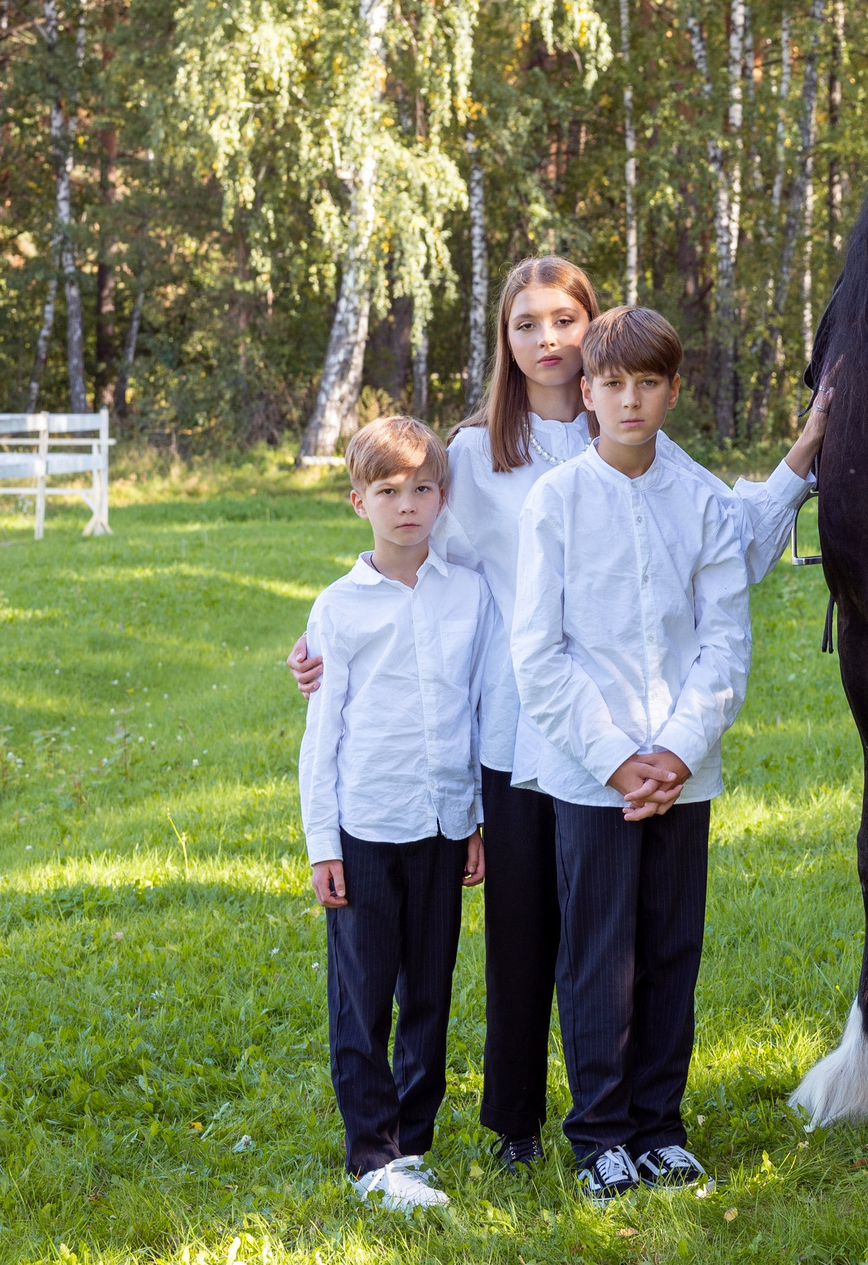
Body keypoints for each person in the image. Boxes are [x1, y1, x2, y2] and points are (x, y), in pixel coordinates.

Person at [290, 258, 832, 1173]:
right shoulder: (474, 453)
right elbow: (411, 552)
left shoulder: (633, 431)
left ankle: (629, 1116)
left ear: (592, 331)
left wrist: (804, 454)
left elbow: (727, 540)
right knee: (523, 935)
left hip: (617, 724)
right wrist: (328, 636)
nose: (547, 338)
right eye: (526, 323)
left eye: (564, 319)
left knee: (615, 935)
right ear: (505, 341)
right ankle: (517, 1122)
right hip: (512, 722)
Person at [510, 307, 798, 1203]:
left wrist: (674, 750)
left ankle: (659, 1125)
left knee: (672, 946)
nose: (630, 400)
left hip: (683, 771)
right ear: (587, 393)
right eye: (613, 384)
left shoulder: (703, 501)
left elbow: (724, 641)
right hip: (589, 772)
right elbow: (539, 651)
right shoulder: (556, 501)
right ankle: (600, 1131)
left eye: (647, 383)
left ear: (674, 390)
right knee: (599, 953)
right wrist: (614, 758)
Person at [298, 416, 498, 1212]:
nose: (407, 504)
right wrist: (323, 843)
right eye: (388, 490)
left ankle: (412, 1143)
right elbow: (322, 734)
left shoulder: (469, 594)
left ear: (442, 496)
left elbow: (477, 711)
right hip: (366, 827)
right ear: (359, 501)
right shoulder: (339, 608)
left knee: (430, 992)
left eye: (421, 488)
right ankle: (371, 1157)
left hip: (443, 825)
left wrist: (474, 818)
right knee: (364, 993)